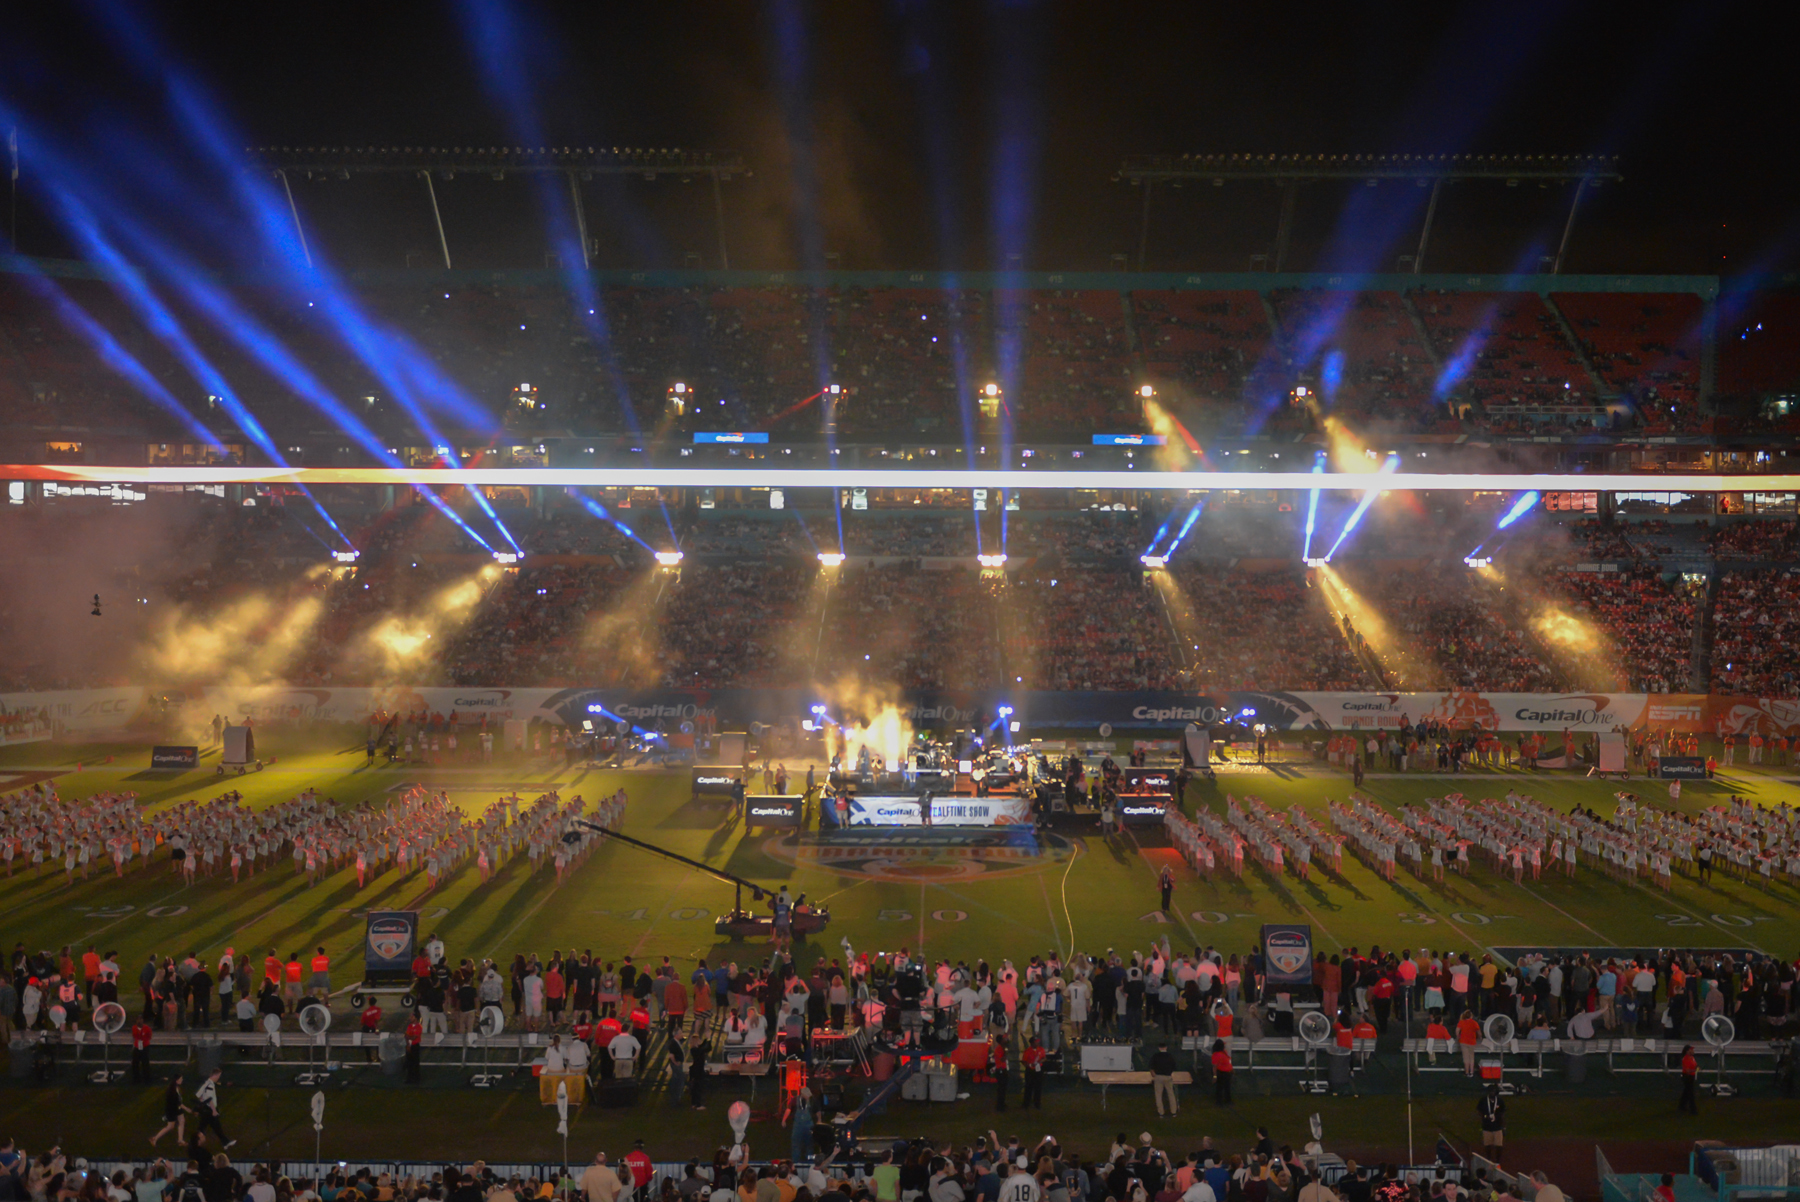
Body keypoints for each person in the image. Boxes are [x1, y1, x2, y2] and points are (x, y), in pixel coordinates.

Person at [193, 1068, 234, 1149]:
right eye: (219, 1076)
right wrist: (214, 1111)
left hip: (205, 1110)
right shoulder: (210, 1085)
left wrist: (201, 1105)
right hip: (209, 1110)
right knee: (208, 1127)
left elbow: (199, 1095)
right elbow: (209, 1099)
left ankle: (225, 1142)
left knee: (210, 1127)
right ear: (215, 1075)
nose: (219, 1078)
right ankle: (195, 1143)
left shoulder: (206, 1083)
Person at [150, 1074, 192, 1148]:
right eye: (181, 1079)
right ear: (177, 1080)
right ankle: (154, 1138)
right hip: (172, 1110)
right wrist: (187, 1109)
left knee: (182, 1121)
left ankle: (180, 1140)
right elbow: (177, 1102)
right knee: (170, 1126)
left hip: (176, 1108)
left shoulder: (175, 1088)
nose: (182, 1080)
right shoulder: (173, 1090)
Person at [1150, 1040, 1179, 1117]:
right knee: (1171, 1094)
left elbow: (1151, 1066)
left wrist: (1153, 1073)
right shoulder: (1170, 1056)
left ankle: (1161, 1113)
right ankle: (1173, 1112)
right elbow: (1174, 1066)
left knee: (1158, 1095)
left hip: (1158, 1076)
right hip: (1168, 1076)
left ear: (1159, 1048)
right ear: (1166, 1047)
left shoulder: (1155, 1056)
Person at [1477, 1086, 1505, 1160]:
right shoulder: (1483, 1100)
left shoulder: (1499, 1101)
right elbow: (1479, 1111)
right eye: (1490, 1091)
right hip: (1486, 1126)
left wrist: (1502, 1124)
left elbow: (1503, 1112)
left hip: (1497, 1126)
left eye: (1493, 1091)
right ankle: (1489, 1159)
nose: (1492, 1092)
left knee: (1499, 1145)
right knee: (1487, 1145)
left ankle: (1497, 1162)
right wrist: (1485, 1116)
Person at [1211, 1038, 1233, 1105]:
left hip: (1227, 1073)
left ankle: (1227, 1100)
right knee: (1220, 1088)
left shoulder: (1223, 1052)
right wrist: (1215, 1076)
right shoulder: (1216, 1055)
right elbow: (1215, 1066)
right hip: (1221, 1073)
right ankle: (1219, 1102)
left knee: (1226, 1087)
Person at [1679, 1044, 1699, 1114]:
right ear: (1687, 1051)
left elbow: (1695, 1065)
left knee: (1686, 1092)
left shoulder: (1692, 1058)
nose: (1693, 1051)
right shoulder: (1686, 1059)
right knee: (1691, 1093)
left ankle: (1682, 1106)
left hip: (1691, 1076)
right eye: (1691, 1049)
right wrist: (1694, 1070)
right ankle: (1693, 1109)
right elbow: (1687, 1071)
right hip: (1687, 1077)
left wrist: (1696, 1068)